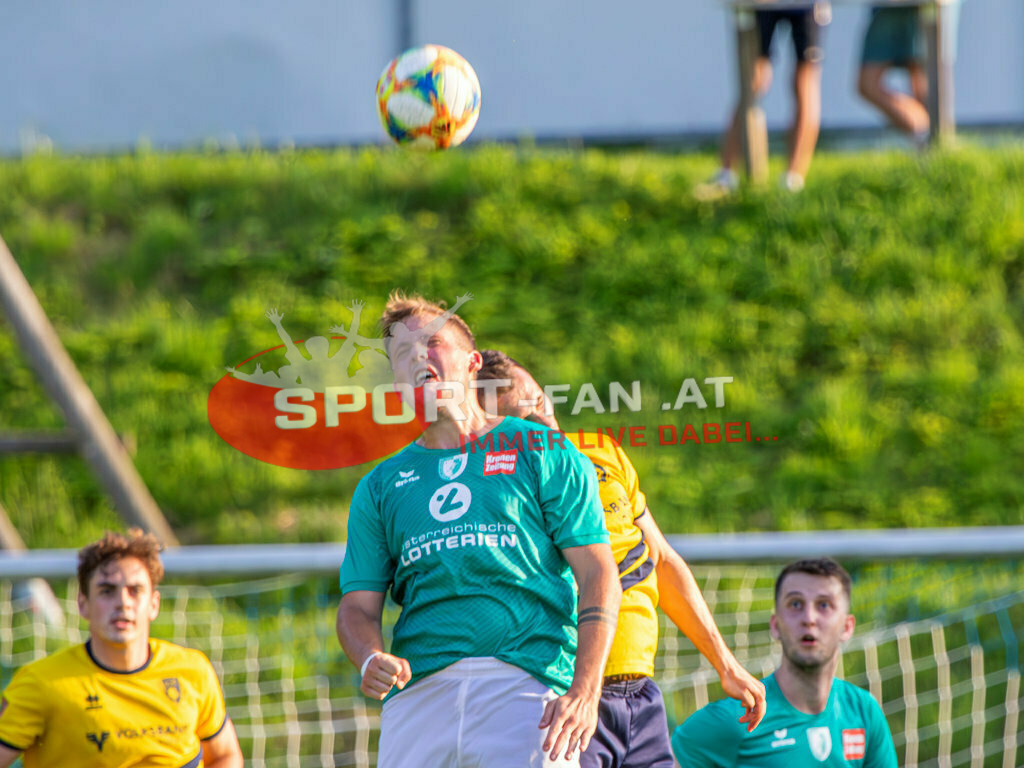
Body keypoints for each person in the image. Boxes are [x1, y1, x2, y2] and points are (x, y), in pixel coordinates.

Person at [336, 292, 621, 767]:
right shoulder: (380, 485)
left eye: (432, 343)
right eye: (403, 353)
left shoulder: (544, 450)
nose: (418, 357)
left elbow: (598, 573)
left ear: (472, 364)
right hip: (418, 696)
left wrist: (585, 692)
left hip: (528, 689)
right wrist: (369, 656)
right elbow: (356, 607)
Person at [475, 350, 767, 768]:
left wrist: (726, 665)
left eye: (539, 401)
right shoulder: (494, 483)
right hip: (561, 699)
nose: (544, 420)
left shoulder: (602, 452)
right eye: (523, 418)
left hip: (641, 696)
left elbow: (661, 559)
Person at [0, 529, 243, 768]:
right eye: (107, 591)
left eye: (135, 591)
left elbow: (225, 755)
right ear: (83, 604)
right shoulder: (41, 683)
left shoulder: (192, 670)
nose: (123, 602)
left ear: (154, 604)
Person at [671, 558, 897, 767]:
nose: (809, 619)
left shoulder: (863, 711)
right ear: (775, 625)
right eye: (796, 604)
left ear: (847, 627)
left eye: (824, 605)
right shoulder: (737, 718)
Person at [698, 1, 831, 197]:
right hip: (765, 4)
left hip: (807, 6)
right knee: (753, 81)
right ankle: (726, 174)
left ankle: (793, 179)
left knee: (804, 82)